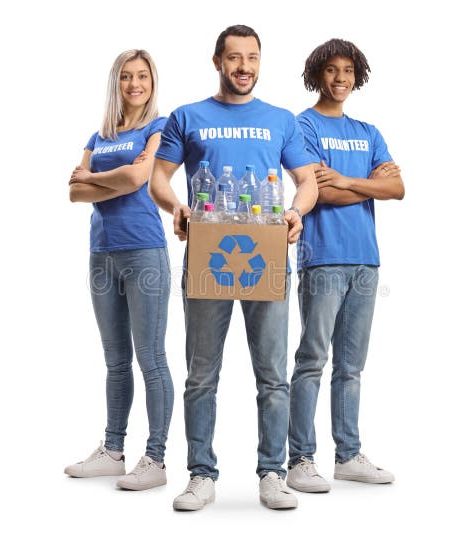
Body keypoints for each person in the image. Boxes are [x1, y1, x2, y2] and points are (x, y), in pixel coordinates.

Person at [148, 25, 318, 511]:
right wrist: (177, 208)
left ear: (260, 62)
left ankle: (272, 472)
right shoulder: (188, 116)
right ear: (217, 61)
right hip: (209, 255)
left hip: (266, 254)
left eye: (253, 58)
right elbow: (160, 179)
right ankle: (201, 474)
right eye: (235, 58)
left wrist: (296, 212)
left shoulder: (280, 120)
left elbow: (306, 181)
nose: (244, 67)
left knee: (273, 374)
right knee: (201, 374)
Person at [286, 38, 405, 493]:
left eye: (348, 71)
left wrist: (347, 179)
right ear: (317, 73)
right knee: (313, 359)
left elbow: (397, 188)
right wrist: (364, 184)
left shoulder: (368, 131)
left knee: (351, 366)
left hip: (365, 260)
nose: (340, 79)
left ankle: (349, 454)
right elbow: (319, 191)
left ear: (358, 76)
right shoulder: (303, 126)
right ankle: (299, 458)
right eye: (331, 70)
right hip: (322, 257)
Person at [64, 49, 173, 492]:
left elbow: (137, 180)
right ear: (116, 82)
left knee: (150, 358)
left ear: (152, 82)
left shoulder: (158, 128)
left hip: (144, 251)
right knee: (115, 361)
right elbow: (73, 193)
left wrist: (99, 180)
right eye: (126, 76)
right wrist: (119, 176)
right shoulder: (98, 135)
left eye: (142, 76)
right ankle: (113, 451)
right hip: (101, 254)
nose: (134, 84)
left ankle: (157, 458)